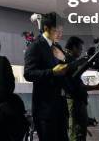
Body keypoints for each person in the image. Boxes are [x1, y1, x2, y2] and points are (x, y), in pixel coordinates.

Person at [24, 12, 69, 141]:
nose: (60, 34)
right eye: (56, 31)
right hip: (45, 109)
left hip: (59, 106)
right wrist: (52, 72)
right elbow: (28, 73)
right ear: (46, 28)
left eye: (61, 31)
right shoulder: (35, 46)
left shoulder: (57, 47)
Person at [64, 36, 99, 141]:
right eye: (80, 49)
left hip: (77, 102)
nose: (81, 52)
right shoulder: (67, 61)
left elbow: (79, 72)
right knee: (77, 134)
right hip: (75, 102)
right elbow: (76, 86)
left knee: (80, 133)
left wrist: (88, 57)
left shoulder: (71, 61)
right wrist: (97, 86)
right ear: (73, 47)